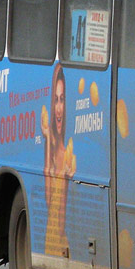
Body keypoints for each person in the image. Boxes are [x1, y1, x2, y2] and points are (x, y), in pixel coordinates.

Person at [42, 63, 76, 257]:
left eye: (62, 100)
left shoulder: (69, 152)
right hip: (50, 239)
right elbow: (48, 198)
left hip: (61, 240)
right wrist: (48, 139)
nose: (58, 108)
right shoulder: (54, 152)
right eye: (55, 100)